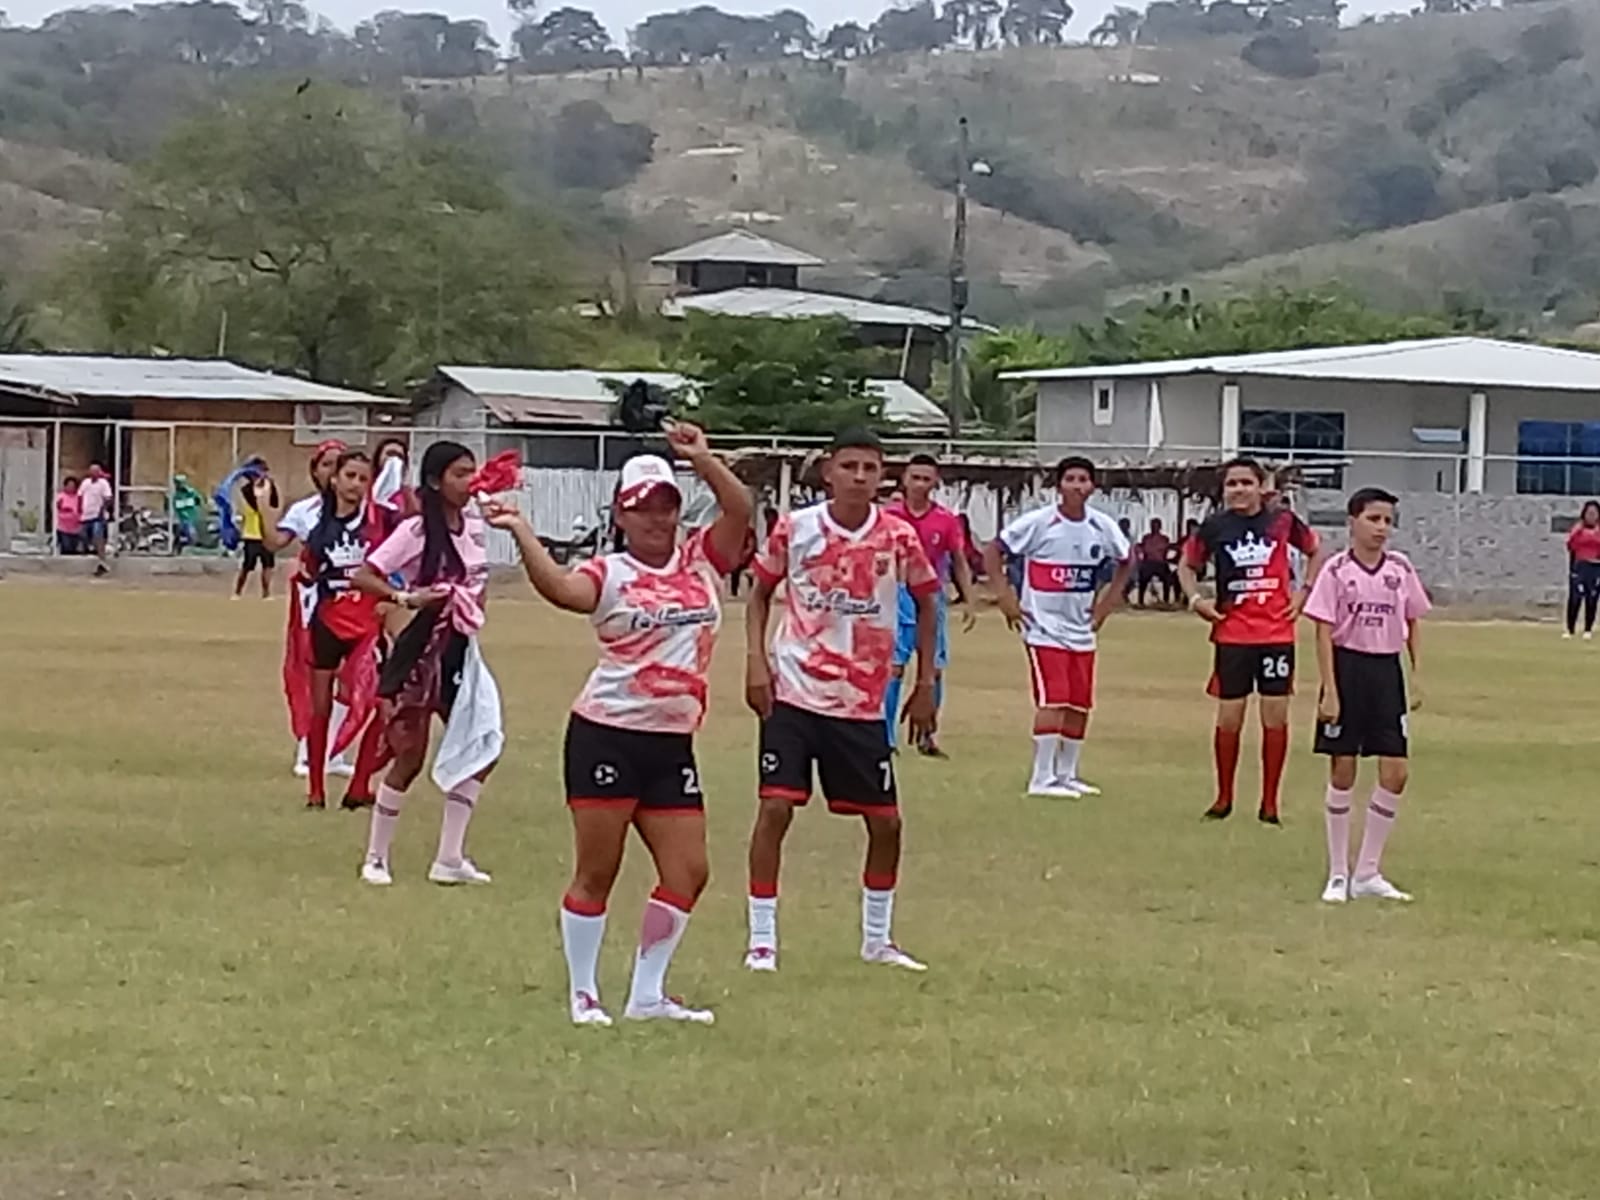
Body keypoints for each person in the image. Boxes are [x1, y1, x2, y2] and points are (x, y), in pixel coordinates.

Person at [487, 423, 750, 1027]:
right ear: (621, 515)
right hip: (607, 734)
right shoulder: (610, 572)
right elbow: (562, 590)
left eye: (666, 505)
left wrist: (703, 459)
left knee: (688, 871)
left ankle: (647, 994)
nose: (657, 518)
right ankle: (584, 993)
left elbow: (740, 509)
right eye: (642, 508)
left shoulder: (701, 560)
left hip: (672, 743)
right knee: (597, 872)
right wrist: (521, 529)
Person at [744, 428, 939, 974]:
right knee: (776, 808)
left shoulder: (898, 536)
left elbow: (928, 602)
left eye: (870, 468)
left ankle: (877, 939)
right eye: (849, 466)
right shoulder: (796, 527)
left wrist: (926, 682)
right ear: (828, 471)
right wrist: (756, 660)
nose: (859, 476)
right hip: (794, 690)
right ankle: (762, 939)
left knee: (886, 823)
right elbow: (759, 594)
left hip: (860, 701)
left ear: (882, 477)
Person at [351, 441, 503, 888]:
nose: (469, 481)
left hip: (462, 651)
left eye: (472, 472)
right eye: (460, 473)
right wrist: (405, 598)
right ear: (436, 481)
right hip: (422, 651)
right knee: (409, 756)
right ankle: (376, 857)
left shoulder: (476, 525)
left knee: (482, 747)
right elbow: (364, 574)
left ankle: (450, 857)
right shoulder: (417, 530)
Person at [1178, 458, 1326, 825]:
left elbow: (1315, 550)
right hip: (1232, 634)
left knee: (1274, 717)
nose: (1239, 490)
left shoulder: (1282, 521)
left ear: (1261, 487)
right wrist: (1196, 600)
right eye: (1232, 484)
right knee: (1229, 718)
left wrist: (1304, 592)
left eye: (1246, 482)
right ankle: (1223, 798)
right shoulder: (1215, 526)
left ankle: (1270, 803)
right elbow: (1186, 565)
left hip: (1275, 634)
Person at [1306, 487, 1428, 903]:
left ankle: (1368, 872)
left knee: (1396, 771)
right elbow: (1322, 630)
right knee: (1344, 769)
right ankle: (1338, 873)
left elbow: (1413, 620)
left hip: (1386, 671)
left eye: (1388, 521)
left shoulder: (1400, 568)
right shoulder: (1337, 570)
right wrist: (1330, 690)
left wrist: (1416, 675)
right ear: (1352, 522)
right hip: (1347, 668)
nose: (1381, 528)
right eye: (1373, 519)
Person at [983, 457, 1132, 799]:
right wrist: (1005, 596)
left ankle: (1067, 774)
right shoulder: (1039, 522)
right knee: (1054, 698)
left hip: (1082, 629)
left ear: (1092, 486)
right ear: (1059, 485)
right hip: (1043, 628)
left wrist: (1107, 604)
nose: (1077, 486)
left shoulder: (1101, 525)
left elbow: (1127, 561)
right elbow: (993, 550)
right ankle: (1041, 777)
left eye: (1083, 479)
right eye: (1070, 479)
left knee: (1080, 702)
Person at [291, 451, 386, 810]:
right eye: (350, 476)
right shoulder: (319, 527)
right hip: (327, 624)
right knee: (320, 709)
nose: (356, 484)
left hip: (366, 625)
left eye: (363, 479)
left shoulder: (378, 522)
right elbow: (307, 571)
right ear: (334, 479)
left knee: (381, 703)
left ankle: (359, 785)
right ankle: (316, 791)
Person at [257, 441, 356, 782]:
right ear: (315, 471)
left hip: (356, 601)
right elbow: (274, 542)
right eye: (326, 464)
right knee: (316, 675)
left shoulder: (365, 512)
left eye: (339, 464)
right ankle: (308, 751)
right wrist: (264, 508)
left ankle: (334, 751)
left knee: (353, 677)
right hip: (315, 603)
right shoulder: (306, 510)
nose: (333, 471)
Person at [883, 454, 977, 757]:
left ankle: (927, 735)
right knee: (893, 667)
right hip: (896, 595)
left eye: (926, 478)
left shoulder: (946, 520)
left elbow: (959, 560)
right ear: (904, 479)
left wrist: (969, 598)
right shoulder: (888, 517)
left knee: (934, 667)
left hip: (932, 595)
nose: (920, 484)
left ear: (936, 482)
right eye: (915, 477)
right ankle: (886, 738)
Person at [235, 467, 277, 599]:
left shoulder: (267, 489)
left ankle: (266, 593)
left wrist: (270, 486)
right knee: (247, 566)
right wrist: (259, 488)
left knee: (268, 565)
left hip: (266, 534)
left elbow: (274, 503)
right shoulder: (246, 490)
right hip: (251, 534)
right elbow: (254, 502)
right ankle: (237, 591)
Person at [1564, 500, 1600, 640]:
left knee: (1592, 598)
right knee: (1575, 598)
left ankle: (1588, 629)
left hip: (1596, 567)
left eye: (1594, 513)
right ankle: (1570, 629)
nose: (1591, 516)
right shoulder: (1578, 529)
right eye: (1589, 513)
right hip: (1580, 566)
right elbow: (1571, 546)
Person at [78, 463, 113, 576]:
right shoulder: (85, 483)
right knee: (83, 535)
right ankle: (94, 554)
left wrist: (102, 510)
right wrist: (79, 510)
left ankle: (102, 561)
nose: (94, 473)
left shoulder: (103, 483)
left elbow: (108, 498)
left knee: (98, 536)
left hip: (98, 515)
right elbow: (80, 496)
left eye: (96, 471)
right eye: (92, 471)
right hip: (86, 514)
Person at [1136, 518, 1177, 607]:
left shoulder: (1164, 539)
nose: (1154, 527)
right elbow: (1141, 548)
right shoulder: (1146, 538)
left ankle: (1166, 601)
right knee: (1143, 578)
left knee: (1167, 578)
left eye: (1156, 525)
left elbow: (1169, 549)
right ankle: (1140, 601)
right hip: (1149, 563)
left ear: (1160, 527)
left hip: (1160, 563)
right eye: (1153, 525)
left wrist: (1170, 557)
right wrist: (1140, 557)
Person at [54, 477, 82, 556]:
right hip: (63, 528)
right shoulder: (60, 496)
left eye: (73, 486)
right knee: (66, 547)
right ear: (65, 486)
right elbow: (56, 508)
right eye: (69, 485)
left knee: (74, 549)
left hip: (76, 528)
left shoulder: (78, 497)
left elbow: (81, 509)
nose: (71, 487)